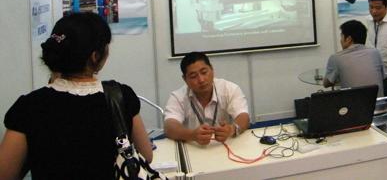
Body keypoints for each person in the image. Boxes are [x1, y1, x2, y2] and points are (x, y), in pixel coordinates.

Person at [0, 12, 152, 180]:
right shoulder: (121, 96)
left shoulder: (29, 106)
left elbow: (5, 174)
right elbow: (146, 156)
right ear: (95, 56)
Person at [164, 52, 250, 146]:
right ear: (185, 79)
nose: (201, 80)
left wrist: (231, 129)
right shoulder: (177, 97)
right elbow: (169, 127)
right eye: (193, 76)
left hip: (225, 145)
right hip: (192, 147)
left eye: (204, 72)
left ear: (212, 70)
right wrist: (192, 135)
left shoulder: (230, 89)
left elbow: (243, 117)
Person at [323, 20, 384, 94]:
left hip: (352, 101)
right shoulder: (375, 53)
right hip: (378, 101)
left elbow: (326, 84)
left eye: (341, 37)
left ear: (348, 39)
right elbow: (382, 76)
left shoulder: (336, 58)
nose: (340, 41)